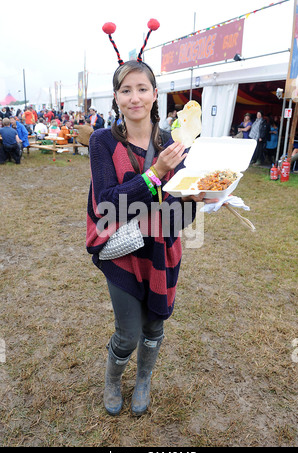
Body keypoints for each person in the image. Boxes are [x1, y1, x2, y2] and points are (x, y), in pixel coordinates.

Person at [87, 22, 219, 417]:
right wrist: (155, 173)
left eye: (142, 88)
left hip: (163, 249)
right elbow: (107, 204)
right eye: (125, 90)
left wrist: (205, 198)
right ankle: (114, 379)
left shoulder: (175, 142)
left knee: (154, 328)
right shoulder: (103, 142)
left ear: (155, 94)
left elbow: (179, 213)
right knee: (127, 333)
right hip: (123, 251)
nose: (134, 97)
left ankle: (143, 379)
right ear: (115, 97)